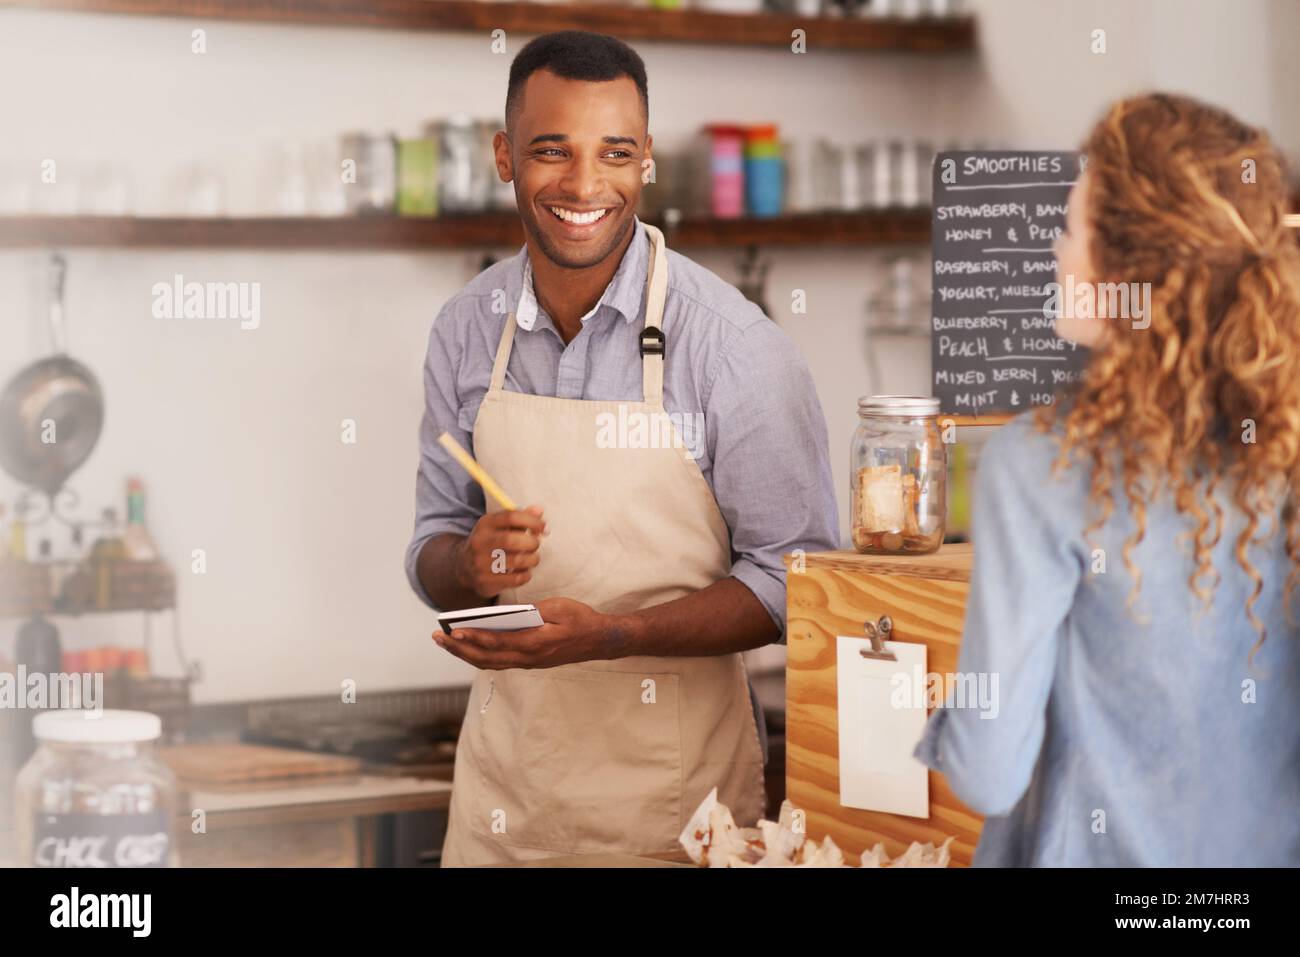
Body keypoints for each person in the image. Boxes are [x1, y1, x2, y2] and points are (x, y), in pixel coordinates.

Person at [405, 31, 839, 866]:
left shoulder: (736, 351)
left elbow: (798, 582)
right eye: (550, 151)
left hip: (677, 818)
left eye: (615, 153)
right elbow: (430, 546)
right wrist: (468, 567)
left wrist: (611, 635)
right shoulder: (466, 329)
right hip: (503, 812)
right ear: (504, 156)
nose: (582, 184)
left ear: (647, 164)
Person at [916, 93, 1300, 866]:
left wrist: (939, 718)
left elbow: (988, 774)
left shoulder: (1042, 464)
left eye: (1071, 230)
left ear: (1129, 270)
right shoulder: (1283, 444)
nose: (1054, 252)